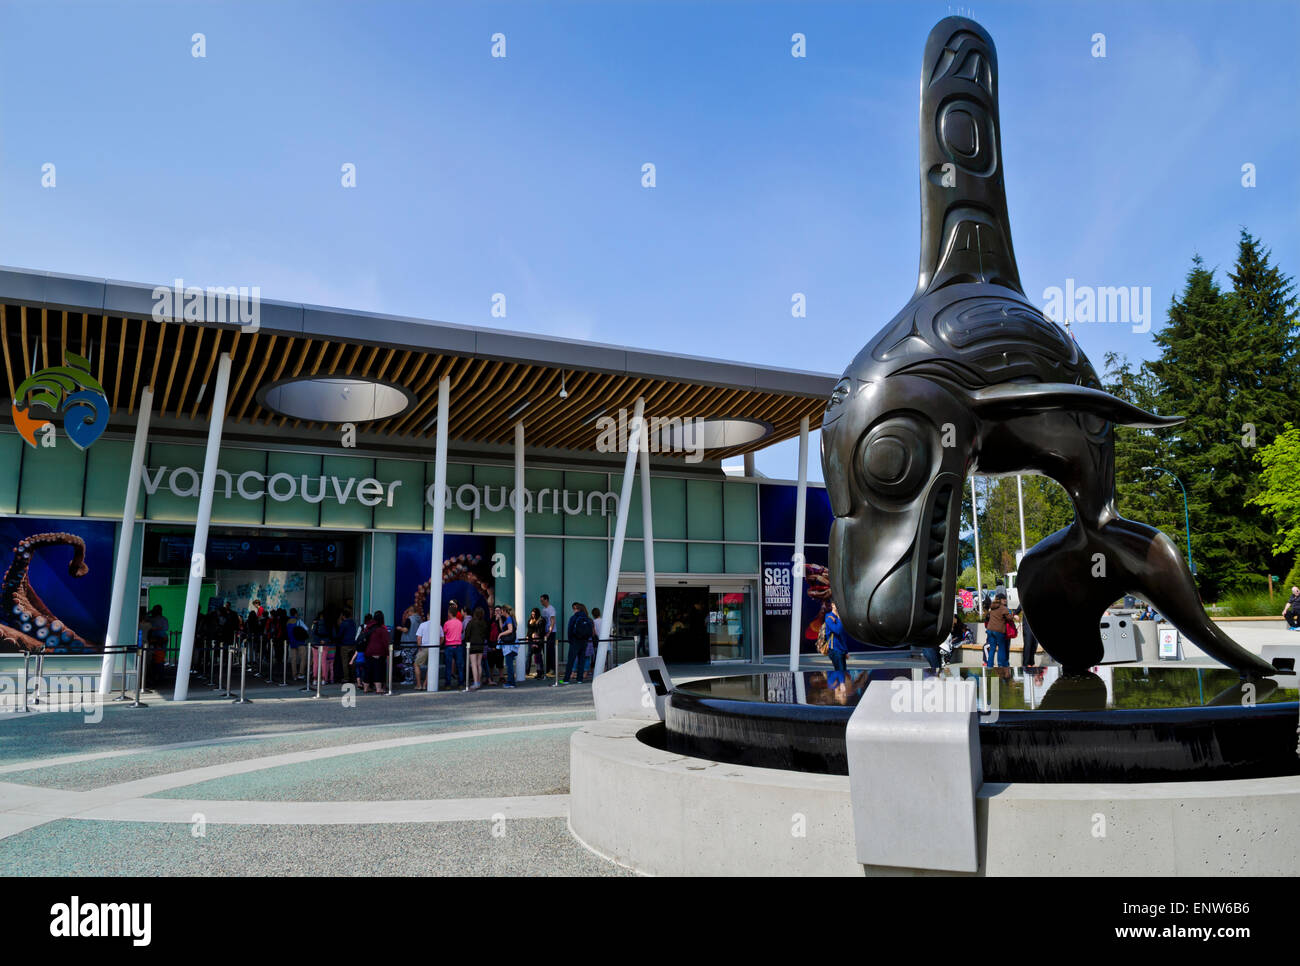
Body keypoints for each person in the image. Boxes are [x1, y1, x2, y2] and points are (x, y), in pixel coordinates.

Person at [563, 602, 594, 684]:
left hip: (575, 641)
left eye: (574, 609)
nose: (573, 610)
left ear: (577, 609)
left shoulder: (573, 618)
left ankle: (566, 680)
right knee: (581, 660)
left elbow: (569, 630)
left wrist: (570, 640)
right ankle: (579, 679)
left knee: (571, 661)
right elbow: (590, 632)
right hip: (584, 642)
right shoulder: (587, 618)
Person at [359, 611, 390, 694]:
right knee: (377, 670)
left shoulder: (368, 627)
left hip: (368, 652)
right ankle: (378, 689)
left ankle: (366, 688)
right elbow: (385, 642)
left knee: (368, 670)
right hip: (378, 652)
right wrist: (388, 653)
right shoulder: (382, 629)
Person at [464, 606, 489, 690]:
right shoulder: (484, 623)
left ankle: (476, 682)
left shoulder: (471, 623)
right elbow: (486, 634)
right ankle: (479, 681)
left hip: (473, 645)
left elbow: (467, 634)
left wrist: (467, 641)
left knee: (474, 664)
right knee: (479, 664)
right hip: (481, 645)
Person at [985, 593, 1011, 668]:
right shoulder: (1003, 608)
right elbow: (1009, 618)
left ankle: (989, 666)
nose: (1006, 600)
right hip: (999, 631)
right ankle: (1001, 666)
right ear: (1001, 600)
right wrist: (1013, 615)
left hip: (990, 630)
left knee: (992, 648)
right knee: (1001, 648)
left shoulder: (993, 607)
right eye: (1004, 599)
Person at [822, 601, 848, 675]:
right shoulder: (829, 617)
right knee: (840, 671)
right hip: (835, 650)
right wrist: (839, 619)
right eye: (837, 604)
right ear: (832, 605)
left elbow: (842, 636)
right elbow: (837, 631)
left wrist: (846, 651)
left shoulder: (838, 617)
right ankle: (841, 684)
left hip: (841, 650)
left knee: (843, 671)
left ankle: (841, 685)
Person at [442, 604, 465, 688]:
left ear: (450, 613)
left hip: (449, 645)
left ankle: (448, 684)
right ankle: (461, 684)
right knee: (460, 665)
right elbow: (462, 632)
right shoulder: (460, 623)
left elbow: (444, 633)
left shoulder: (447, 623)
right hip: (458, 645)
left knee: (448, 665)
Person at [497, 605, 519, 689]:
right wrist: (499, 619)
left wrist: (501, 634)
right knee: (509, 664)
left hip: (510, 645)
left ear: (505, 610)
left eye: (501, 611)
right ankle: (511, 681)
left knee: (509, 664)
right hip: (510, 644)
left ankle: (511, 682)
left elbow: (510, 630)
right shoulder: (509, 619)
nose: (501, 612)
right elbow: (502, 627)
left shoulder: (509, 618)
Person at [311, 611, 334, 684]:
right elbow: (333, 635)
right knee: (323, 662)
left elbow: (312, 633)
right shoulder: (330, 624)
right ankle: (323, 679)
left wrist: (318, 640)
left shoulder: (315, 623)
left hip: (315, 644)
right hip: (325, 644)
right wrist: (325, 640)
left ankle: (315, 679)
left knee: (315, 663)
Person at [336, 608, 358, 684]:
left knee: (345, 662)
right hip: (353, 644)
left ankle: (346, 678)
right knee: (353, 661)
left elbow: (339, 634)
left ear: (343, 616)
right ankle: (354, 677)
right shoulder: (353, 623)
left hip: (345, 644)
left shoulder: (344, 623)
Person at [287, 608, 310, 679]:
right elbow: (306, 629)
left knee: (293, 659)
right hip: (300, 642)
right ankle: (301, 673)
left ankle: (294, 675)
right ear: (296, 614)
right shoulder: (298, 621)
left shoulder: (287, 622)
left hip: (292, 643)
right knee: (303, 658)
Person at [412, 610, 431, 689]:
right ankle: (425, 684)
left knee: (416, 664)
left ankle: (419, 684)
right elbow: (442, 637)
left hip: (424, 647)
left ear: (428, 616)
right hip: (434, 648)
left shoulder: (423, 625)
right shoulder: (438, 625)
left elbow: (419, 638)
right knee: (431, 667)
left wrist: (419, 647)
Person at [540, 594, 558, 678]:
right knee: (545, 650)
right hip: (545, 632)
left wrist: (549, 632)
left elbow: (552, 621)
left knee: (551, 650)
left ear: (546, 600)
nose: (541, 602)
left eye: (542, 600)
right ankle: (547, 668)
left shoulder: (551, 609)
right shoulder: (543, 610)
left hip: (551, 632)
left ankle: (553, 669)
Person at [526, 607, 545, 679]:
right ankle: (531, 671)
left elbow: (540, 631)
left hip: (536, 640)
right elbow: (529, 629)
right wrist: (527, 636)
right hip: (531, 639)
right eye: (532, 614)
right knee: (531, 655)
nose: (533, 615)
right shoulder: (530, 620)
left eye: (534, 614)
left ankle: (540, 672)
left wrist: (536, 638)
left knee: (537, 655)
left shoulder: (540, 620)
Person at [585, 606, 603, 681]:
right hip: (604, 641)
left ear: (593, 614)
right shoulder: (604, 620)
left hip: (595, 641)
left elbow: (594, 632)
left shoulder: (593, 621)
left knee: (593, 656)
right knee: (601, 656)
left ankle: (592, 670)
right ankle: (602, 671)